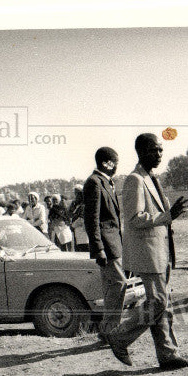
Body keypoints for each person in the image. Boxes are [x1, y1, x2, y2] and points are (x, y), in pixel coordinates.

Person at [104, 133, 188, 370]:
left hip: (160, 250)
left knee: (163, 304)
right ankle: (119, 336)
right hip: (147, 252)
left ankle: (168, 354)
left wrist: (169, 214)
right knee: (157, 301)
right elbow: (134, 218)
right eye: (154, 150)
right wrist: (168, 215)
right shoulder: (135, 180)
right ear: (141, 152)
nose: (159, 155)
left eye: (161, 150)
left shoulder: (152, 178)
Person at [82, 146, 126, 340]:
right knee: (118, 284)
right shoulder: (94, 183)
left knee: (111, 289)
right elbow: (92, 219)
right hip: (107, 247)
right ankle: (111, 330)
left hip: (114, 244)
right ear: (106, 163)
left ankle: (107, 331)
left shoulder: (106, 182)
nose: (116, 167)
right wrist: (98, 248)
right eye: (115, 162)